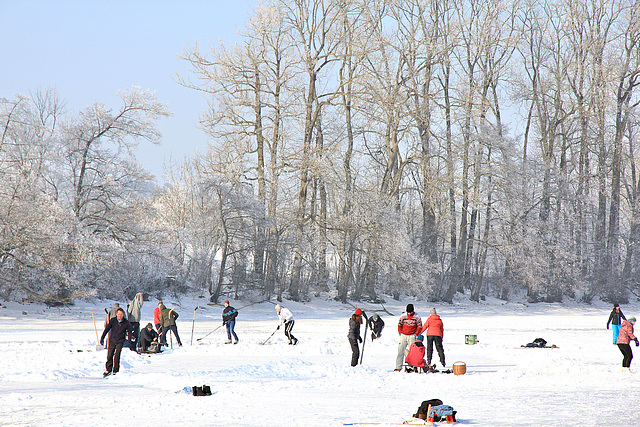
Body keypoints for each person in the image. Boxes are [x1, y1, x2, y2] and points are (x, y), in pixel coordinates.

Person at [100, 307, 133, 377]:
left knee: (117, 355)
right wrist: (102, 338)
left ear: (123, 315)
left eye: (121, 314)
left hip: (120, 340)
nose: (119, 316)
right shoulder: (113, 320)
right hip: (112, 340)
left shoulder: (126, 322)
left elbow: (129, 332)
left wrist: (128, 341)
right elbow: (107, 329)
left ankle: (115, 371)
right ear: (116, 314)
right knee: (109, 355)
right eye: (118, 314)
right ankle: (108, 370)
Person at [395, 304, 422, 371]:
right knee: (400, 351)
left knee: (412, 352)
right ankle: (398, 367)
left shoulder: (417, 317)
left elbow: (419, 326)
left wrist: (416, 334)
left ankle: (411, 367)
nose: (409, 313)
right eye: (408, 312)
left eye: (410, 312)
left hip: (412, 336)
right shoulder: (403, 316)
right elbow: (399, 325)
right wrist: (400, 333)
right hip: (403, 335)